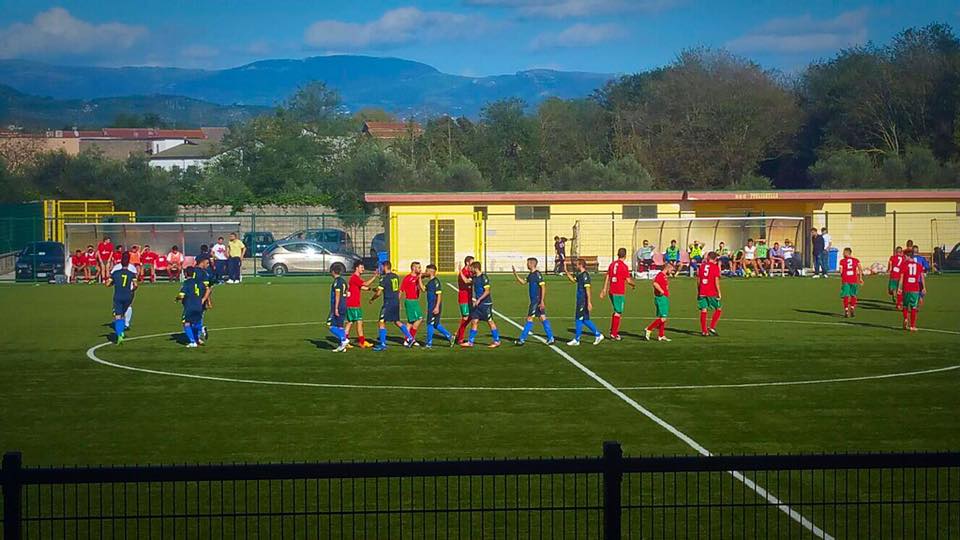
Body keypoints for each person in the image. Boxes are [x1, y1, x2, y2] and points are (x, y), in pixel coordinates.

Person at [370, 261, 415, 351]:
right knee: (397, 321)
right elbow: (389, 287)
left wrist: (372, 299)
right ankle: (410, 338)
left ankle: (383, 344)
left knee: (381, 322)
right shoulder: (395, 276)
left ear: (385, 267)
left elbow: (378, 293)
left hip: (388, 303)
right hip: (395, 302)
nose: (381, 268)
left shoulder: (385, 278)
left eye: (382, 267)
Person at [511, 258, 555, 346]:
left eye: (528, 263)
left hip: (536, 300)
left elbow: (543, 287)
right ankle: (551, 338)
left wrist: (542, 301)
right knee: (542, 318)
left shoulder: (537, 274)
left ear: (531, 264)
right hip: (534, 300)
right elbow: (523, 282)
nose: (527, 265)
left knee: (529, 319)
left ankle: (522, 339)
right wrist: (515, 274)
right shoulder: (530, 275)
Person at [564, 259, 603, 346]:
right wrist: (566, 271)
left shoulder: (585, 275)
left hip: (583, 300)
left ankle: (577, 339)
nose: (575, 266)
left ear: (580, 265)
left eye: (577, 264)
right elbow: (573, 280)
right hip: (580, 300)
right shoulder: (580, 275)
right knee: (585, 319)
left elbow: (588, 289)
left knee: (578, 319)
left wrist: (589, 302)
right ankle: (598, 334)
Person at [600, 247, 635, 341]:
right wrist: (633, 284)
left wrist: (604, 289)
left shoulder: (612, 264)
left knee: (616, 310)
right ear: (625, 255)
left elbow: (608, 276)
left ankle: (613, 331)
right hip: (618, 291)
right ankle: (614, 334)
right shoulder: (624, 266)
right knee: (618, 312)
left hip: (611, 290)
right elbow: (628, 280)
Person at [464, 260, 501, 348]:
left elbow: (487, 291)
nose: (471, 269)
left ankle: (497, 340)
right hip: (478, 304)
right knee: (474, 321)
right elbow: (466, 281)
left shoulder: (484, 278)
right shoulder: (474, 277)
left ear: (476, 268)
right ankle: (470, 342)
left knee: (490, 321)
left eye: (472, 268)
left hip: (486, 303)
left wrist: (478, 300)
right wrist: (460, 272)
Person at [105, 252, 137, 344]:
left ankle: (120, 334)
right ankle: (124, 327)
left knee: (118, 316)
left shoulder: (115, 271)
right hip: (128, 295)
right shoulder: (131, 272)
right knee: (123, 313)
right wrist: (132, 290)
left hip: (118, 295)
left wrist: (113, 282)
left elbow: (107, 284)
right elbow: (136, 285)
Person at [344, 262, 378, 349]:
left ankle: (344, 340)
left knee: (350, 322)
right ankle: (362, 342)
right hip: (353, 304)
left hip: (351, 304)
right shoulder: (355, 278)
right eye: (361, 267)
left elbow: (361, 287)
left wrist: (371, 289)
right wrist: (374, 277)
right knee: (359, 322)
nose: (363, 269)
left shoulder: (355, 278)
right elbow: (365, 284)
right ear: (356, 268)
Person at [176, 267, 210, 348]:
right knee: (194, 322)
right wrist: (204, 299)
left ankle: (193, 341)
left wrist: (177, 298)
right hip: (199, 305)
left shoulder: (186, 283)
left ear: (185, 274)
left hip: (190, 306)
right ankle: (200, 330)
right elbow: (208, 289)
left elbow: (181, 295)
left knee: (186, 323)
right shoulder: (199, 282)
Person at [423, 264, 455, 348]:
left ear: (431, 271)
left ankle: (428, 344)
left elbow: (439, 295)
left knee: (430, 324)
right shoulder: (430, 282)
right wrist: (419, 278)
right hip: (431, 305)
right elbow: (423, 289)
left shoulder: (436, 282)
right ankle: (450, 336)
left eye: (426, 270)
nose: (425, 272)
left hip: (434, 306)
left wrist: (437, 307)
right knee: (436, 324)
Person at [644, 261, 673, 342]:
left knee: (663, 317)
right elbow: (655, 284)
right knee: (663, 318)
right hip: (661, 298)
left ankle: (661, 335)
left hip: (664, 298)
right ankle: (649, 329)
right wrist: (661, 291)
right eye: (671, 270)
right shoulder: (660, 275)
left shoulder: (664, 276)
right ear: (667, 268)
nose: (671, 272)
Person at [898, 249, 925, 332]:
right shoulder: (918, 266)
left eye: (905, 256)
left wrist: (899, 287)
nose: (904, 258)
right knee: (913, 307)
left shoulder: (904, 265)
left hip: (906, 288)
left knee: (905, 305)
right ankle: (912, 326)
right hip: (915, 289)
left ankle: (906, 318)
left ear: (908, 256)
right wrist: (924, 287)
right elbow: (922, 277)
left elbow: (901, 277)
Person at [697, 251, 723, 337]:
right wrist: (719, 292)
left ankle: (704, 331)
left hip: (702, 291)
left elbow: (698, 279)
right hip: (711, 291)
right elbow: (716, 281)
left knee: (704, 310)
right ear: (715, 259)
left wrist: (699, 291)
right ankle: (711, 327)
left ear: (708, 257)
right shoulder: (715, 267)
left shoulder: (702, 266)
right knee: (718, 308)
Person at [328, 262, 350, 353]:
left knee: (330, 325)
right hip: (344, 305)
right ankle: (342, 346)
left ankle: (343, 339)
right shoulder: (343, 281)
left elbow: (337, 295)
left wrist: (336, 308)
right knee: (340, 326)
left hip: (338, 306)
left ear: (333, 271)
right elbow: (347, 292)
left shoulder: (337, 282)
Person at [401, 262, 425, 344]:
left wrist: (421, 277)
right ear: (413, 268)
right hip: (410, 301)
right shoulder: (407, 278)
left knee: (411, 321)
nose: (420, 269)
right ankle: (410, 338)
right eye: (418, 267)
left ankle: (407, 339)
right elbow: (401, 290)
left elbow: (422, 288)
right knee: (419, 319)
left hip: (415, 301)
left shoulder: (418, 277)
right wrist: (397, 302)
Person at [454, 256, 475, 344]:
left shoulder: (470, 272)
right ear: (467, 263)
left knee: (471, 317)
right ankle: (460, 339)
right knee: (466, 317)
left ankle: (458, 333)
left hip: (469, 298)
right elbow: (466, 281)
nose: (473, 264)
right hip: (463, 299)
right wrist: (459, 271)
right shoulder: (463, 272)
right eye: (472, 262)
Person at [839, 248, 864, 318]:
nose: (843, 254)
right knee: (853, 295)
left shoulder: (842, 261)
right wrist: (861, 278)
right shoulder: (856, 260)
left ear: (847, 253)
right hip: (853, 280)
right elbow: (860, 269)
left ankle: (846, 310)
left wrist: (842, 275)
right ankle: (852, 307)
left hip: (845, 280)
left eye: (844, 253)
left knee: (846, 295)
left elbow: (840, 270)